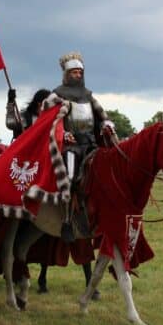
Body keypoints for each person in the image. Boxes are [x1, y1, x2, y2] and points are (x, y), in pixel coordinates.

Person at [43, 52, 114, 240]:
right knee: (71, 177)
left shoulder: (89, 96)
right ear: (66, 74)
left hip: (91, 144)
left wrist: (107, 124)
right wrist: (62, 133)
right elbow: (45, 115)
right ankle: (67, 219)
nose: (78, 75)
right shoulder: (57, 95)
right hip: (71, 146)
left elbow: (103, 115)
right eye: (74, 72)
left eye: (80, 72)